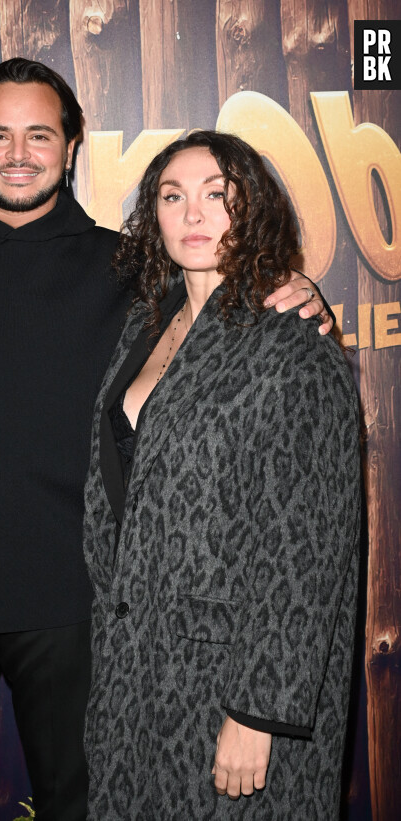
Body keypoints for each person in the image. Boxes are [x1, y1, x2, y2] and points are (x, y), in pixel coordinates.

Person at [0, 56, 331, 821]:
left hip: (79, 608)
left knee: (89, 805)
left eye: (38, 135)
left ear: (70, 146)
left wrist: (300, 290)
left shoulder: (123, 267)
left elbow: (223, 286)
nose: (17, 153)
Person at [82, 130, 360, 819]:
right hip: (138, 660)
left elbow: (306, 549)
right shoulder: (147, 323)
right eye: (173, 197)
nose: (194, 214)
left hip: (229, 677)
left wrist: (258, 711)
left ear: (254, 210)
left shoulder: (294, 345)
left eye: (218, 196)